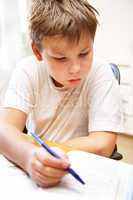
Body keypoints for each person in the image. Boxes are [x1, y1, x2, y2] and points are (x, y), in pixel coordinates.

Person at [0, 0, 123, 188]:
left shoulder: (101, 72)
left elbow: (102, 145)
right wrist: (29, 157)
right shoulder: (27, 71)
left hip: (84, 167)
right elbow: (5, 132)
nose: (75, 68)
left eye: (84, 53)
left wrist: (37, 148)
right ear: (37, 51)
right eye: (61, 58)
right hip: (38, 165)